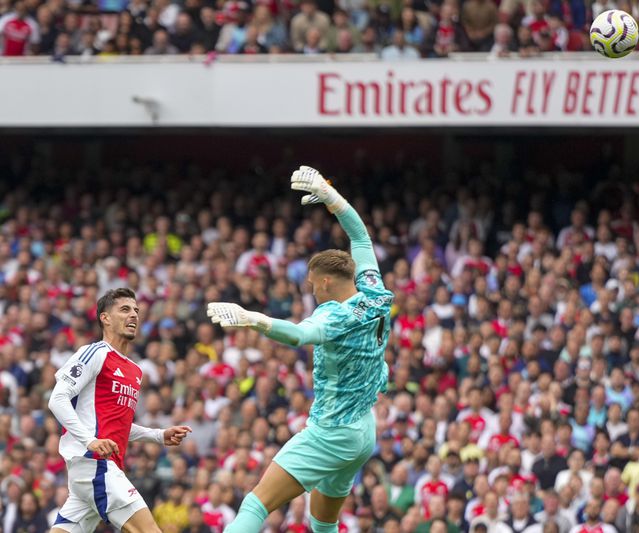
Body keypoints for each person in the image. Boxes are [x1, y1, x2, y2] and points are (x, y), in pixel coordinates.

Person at [207, 165, 394, 533]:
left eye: (312, 284)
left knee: (256, 503)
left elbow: (297, 336)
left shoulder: (335, 318)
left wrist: (252, 319)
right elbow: (361, 239)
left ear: (325, 282)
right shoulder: (374, 291)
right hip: (362, 432)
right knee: (323, 523)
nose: (310, 290)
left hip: (332, 431)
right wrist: (331, 196)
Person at [48, 288, 192, 533]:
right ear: (105, 318)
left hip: (97, 467)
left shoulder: (135, 370)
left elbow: (118, 424)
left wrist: (157, 435)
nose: (133, 315)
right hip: (95, 463)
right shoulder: (94, 353)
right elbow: (57, 399)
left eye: (136, 310)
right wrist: (90, 441)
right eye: (125, 309)